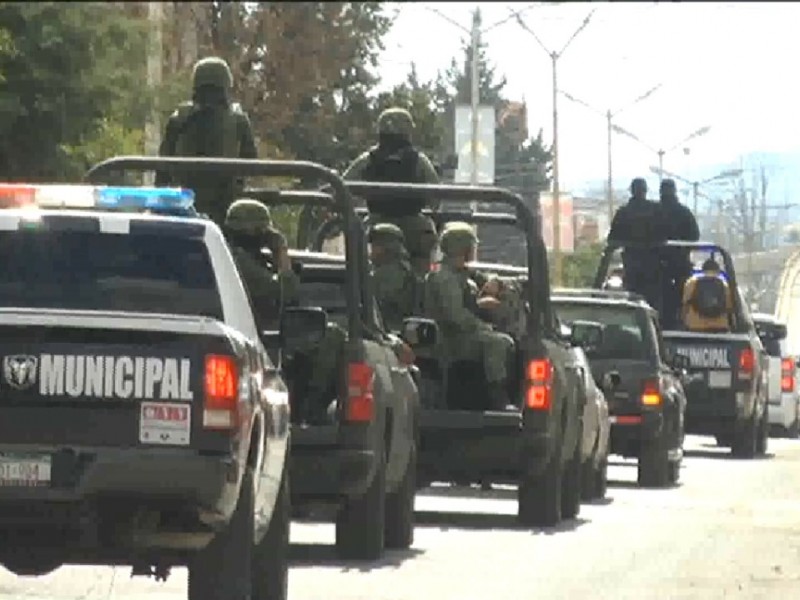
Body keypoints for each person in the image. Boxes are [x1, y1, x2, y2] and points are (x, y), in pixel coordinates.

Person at [424, 222, 516, 411]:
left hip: (461, 334)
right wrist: (484, 327)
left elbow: (484, 281)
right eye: (471, 247)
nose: (474, 251)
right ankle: (497, 396)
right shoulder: (445, 278)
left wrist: (496, 284)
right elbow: (455, 316)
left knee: (504, 339)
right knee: (498, 343)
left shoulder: (461, 273)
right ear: (462, 248)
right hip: (449, 339)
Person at [156, 56, 258, 225]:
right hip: (226, 207)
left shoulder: (179, 118)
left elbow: (162, 168)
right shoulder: (238, 120)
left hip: (184, 206)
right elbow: (252, 163)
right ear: (225, 85)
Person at [343, 107, 441, 275]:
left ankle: (366, 283)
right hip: (413, 225)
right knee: (426, 241)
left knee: (361, 246)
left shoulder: (368, 158)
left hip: (376, 223)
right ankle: (420, 286)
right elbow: (436, 197)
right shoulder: (418, 159)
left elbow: (343, 185)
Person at [223, 199, 298, 326]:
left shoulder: (236, 255)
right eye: (264, 230)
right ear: (255, 231)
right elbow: (285, 292)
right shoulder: (241, 261)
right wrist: (281, 250)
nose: (267, 235)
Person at [608, 178, 667, 312]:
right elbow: (665, 235)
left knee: (633, 298)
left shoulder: (623, 213)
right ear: (645, 191)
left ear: (632, 191)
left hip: (632, 263)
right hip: (653, 264)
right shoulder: (656, 211)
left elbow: (612, 239)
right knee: (653, 300)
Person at [659, 179, 701, 329]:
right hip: (679, 265)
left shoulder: (654, 212)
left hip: (655, 266)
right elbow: (695, 236)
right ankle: (679, 320)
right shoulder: (684, 213)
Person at [369, 223, 417, 332]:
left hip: (391, 329)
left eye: (376, 245)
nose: (372, 250)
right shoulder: (383, 268)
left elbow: (381, 302)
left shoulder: (393, 272)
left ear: (388, 247)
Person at [681, 257, 734, 332]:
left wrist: (683, 322)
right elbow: (729, 308)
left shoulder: (691, 283)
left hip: (695, 326)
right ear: (717, 270)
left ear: (703, 270)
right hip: (720, 326)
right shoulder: (724, 284)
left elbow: (685, 306)